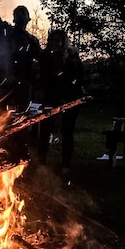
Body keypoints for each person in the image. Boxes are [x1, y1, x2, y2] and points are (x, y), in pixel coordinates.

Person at [36, 29, 85, 175]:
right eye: (52, 40)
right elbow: (42, 77)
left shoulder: (72, 57)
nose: (54, 43)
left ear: (63, 42)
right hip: (51, 97)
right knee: (45, 129)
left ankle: (65, 166)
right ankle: (41, 163)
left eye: (58, 40)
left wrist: (68, 95)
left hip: (70, 98)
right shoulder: (45, 56)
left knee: (67, 131)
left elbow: (78, 77)